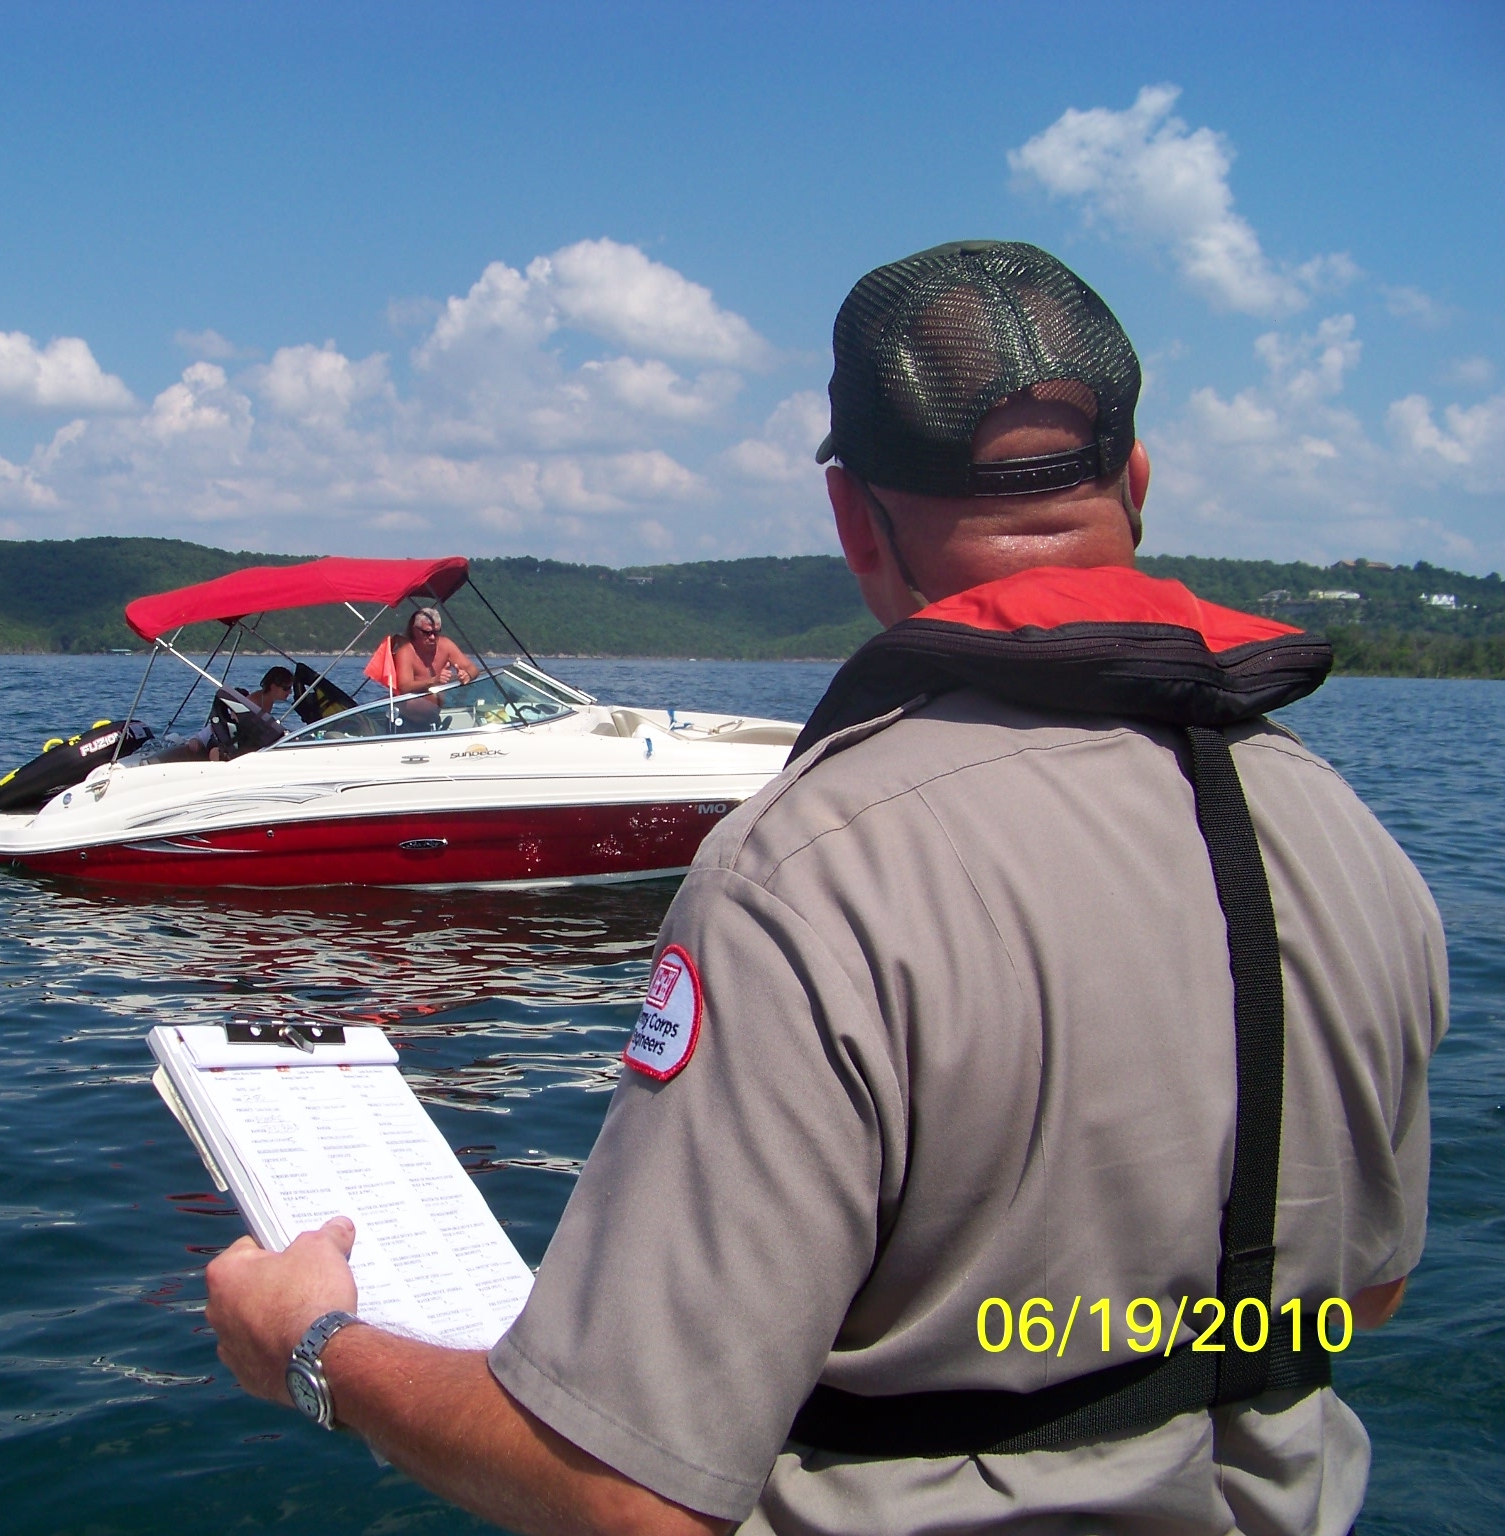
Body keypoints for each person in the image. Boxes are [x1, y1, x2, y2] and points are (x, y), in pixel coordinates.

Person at [202, 241, 1447, 1535]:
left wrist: (313, 1346)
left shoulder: (808, 876)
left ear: (851, 518)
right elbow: (1364, 1297)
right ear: (1138, 480)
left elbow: (628, 1495)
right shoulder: (1357, 847)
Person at [154, 666, 297, 764]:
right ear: (273, 686)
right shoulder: (253, 701)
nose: (289, 692)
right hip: (220, 736)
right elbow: (232, 724)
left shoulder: (267, 702)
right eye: (286, 688)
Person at [390, 607, 478, 729]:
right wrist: (434, 681)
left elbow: (473, 668)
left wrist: (467, 675)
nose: (432, 637)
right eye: (427, 632)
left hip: (433, 719)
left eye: (436, 633)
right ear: (415, 630)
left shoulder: (445, 645)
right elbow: (404, 686)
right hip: (407, 722)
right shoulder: (406, 652)